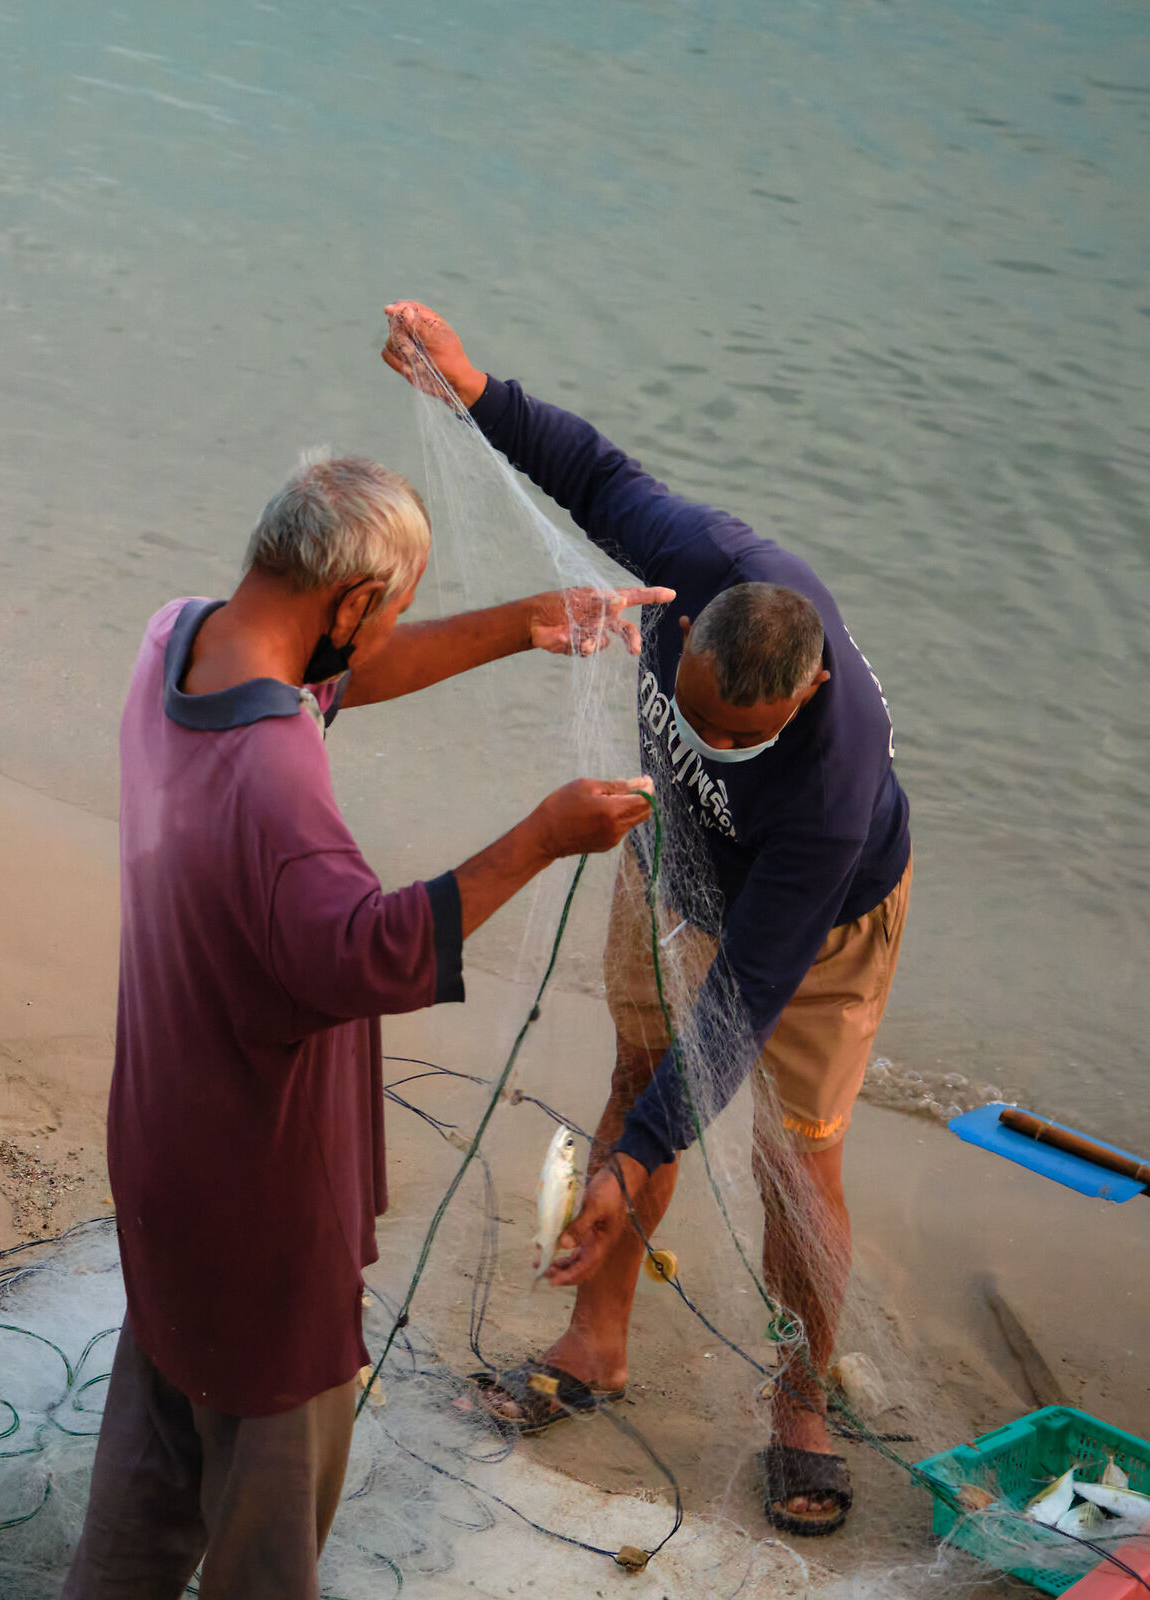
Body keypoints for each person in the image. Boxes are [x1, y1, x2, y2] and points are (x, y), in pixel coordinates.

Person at [61, 450, 666, 1600]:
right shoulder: (274, 775)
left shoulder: (176, 641)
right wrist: (545, 836)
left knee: (148, 1479)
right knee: (267, 1544)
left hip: (161, 1155)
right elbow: (370, 953)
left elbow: (333, 674)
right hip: (262, 1211)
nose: (384, 632)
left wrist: (525, 625)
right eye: (388, 610)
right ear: (349, 603)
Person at [382, 302, 913, 1539]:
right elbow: (590, 470)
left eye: (734, 737)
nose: (706, 742)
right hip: (671, 865)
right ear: (692, 628)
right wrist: (472, 383)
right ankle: (596, 1342)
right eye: (691, 713)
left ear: (805, 693)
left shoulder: (830, 794)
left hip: (818, 931)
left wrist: (631, 1167)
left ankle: (800, 1401)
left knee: (796, 1161)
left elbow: (739, 1009)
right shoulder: (702, 560)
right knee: (633, 1081)